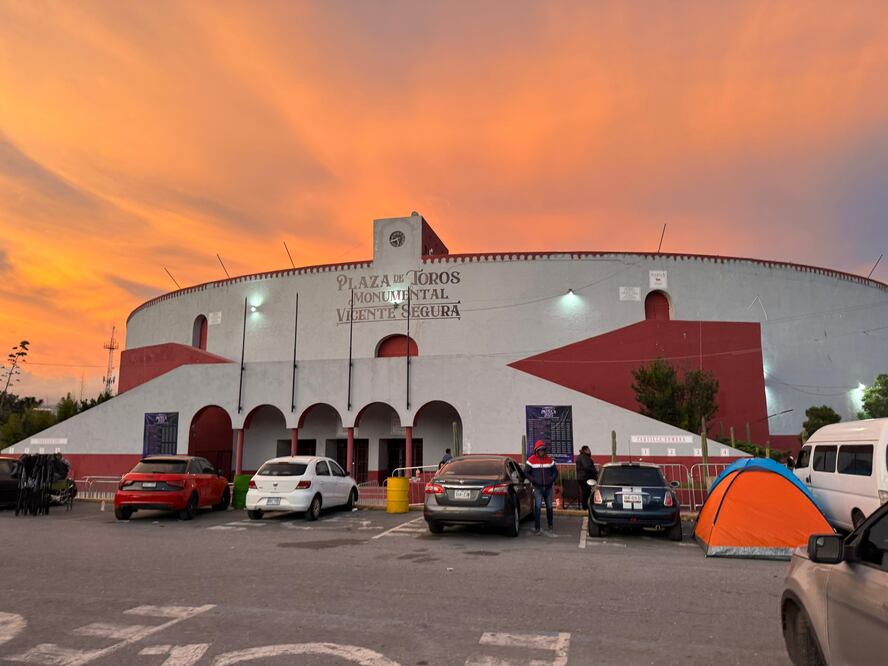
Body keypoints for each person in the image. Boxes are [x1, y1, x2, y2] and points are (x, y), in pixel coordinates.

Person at [524, 440, 559, 535]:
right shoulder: (531, 460)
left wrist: (550, 480)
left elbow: (555, 472)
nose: (542, 452)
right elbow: (526, 472)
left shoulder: (549, 460)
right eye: (540, 450)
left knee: (550, 507)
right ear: (536, 451)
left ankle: (550, 524)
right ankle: (537, 527)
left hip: (548, 488)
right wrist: (534, 480)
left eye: (543, 450)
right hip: (537, 488)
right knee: (537, 507)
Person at [575, 445, 597, 510]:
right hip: (585, 478)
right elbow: (587, 467)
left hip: (582, 478)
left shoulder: (580, 456)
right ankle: (585, 507)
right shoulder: (584, 457)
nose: (590, 451)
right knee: (586, 493)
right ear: (585, 450)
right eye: (589, 450)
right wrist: (595, 471)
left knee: (585, 492)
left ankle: (585, 506)